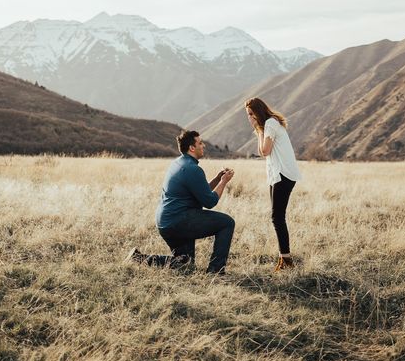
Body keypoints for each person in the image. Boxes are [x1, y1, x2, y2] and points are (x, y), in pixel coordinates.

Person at [127, 130, 235, 274]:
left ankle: (139, 258)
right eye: (200, 143)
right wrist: (224, 182)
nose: (203, 146)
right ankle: (216, 271)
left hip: (166, 222)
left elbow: (201, 193)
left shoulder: (179, 163)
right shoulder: (192, 169)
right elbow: (210, 201)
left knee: (186, 264)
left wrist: (217, 179)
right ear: (192, 148)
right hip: (178, 221)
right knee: (227, 223)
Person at [245, 97, 301, 272]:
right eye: (248, 115)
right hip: (278, 174)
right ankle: (284, 259)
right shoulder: (269, 124)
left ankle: (286, 260)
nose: (250, 118)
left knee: (277, 217)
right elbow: (264, 152)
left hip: (283, 174)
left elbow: (264, 151)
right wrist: (259, 129)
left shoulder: (270, 123)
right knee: (277, 216)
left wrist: (258, 128)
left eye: (251, 114)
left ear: (258, 112)